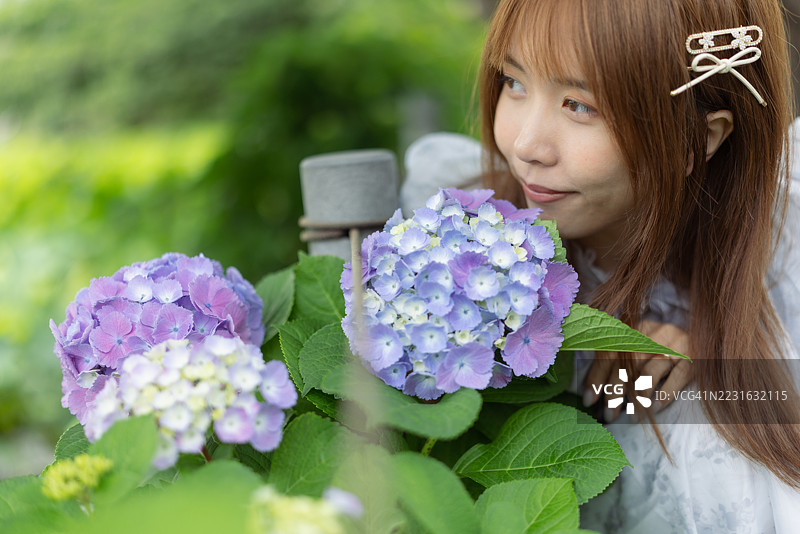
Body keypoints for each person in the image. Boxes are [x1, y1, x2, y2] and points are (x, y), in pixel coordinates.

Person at [401, 0, 800, 531]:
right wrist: (630, 378)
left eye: (579, 105)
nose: (526, 146)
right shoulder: (471, 245)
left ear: (700, 139)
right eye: (514, 82)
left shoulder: (784, 231)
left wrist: (715, 356)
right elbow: (589, 410)